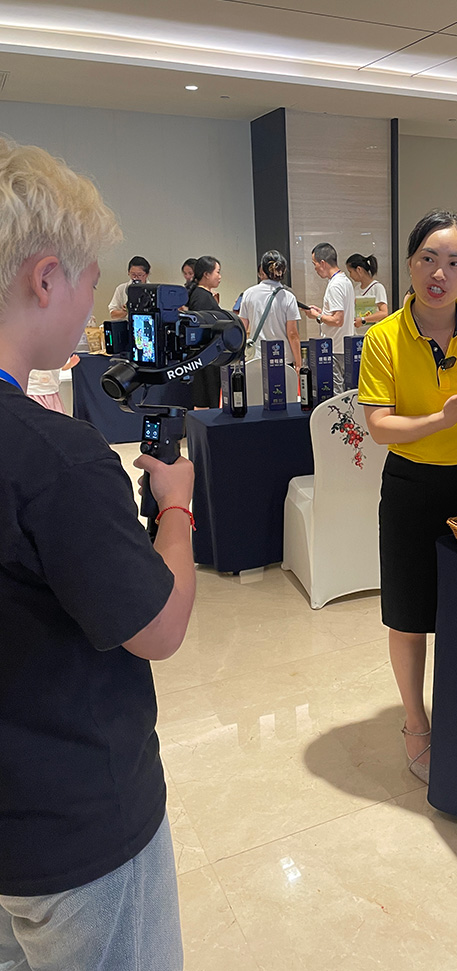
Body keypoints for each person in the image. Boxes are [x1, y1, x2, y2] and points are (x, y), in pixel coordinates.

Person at [0, 137, 195, 970]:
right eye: (89, 280)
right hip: (77, 832)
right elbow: (159, 625)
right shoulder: (56, 457)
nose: (93, 303)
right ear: (46, 278)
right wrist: (176, 505)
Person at [358, 210, 457, 784]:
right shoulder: (384, 337)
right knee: (409, 612)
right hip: (411, 487)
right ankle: (415, 723)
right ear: (410, 262)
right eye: (428, 259)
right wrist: (440, 420)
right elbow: (379, 426)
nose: (439, 273)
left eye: (454, 262)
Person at [239, 250, 302, 367]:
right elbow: (292, 334)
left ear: (262, 270)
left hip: (256, 357)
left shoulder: (249, 293)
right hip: (283, 357)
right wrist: (299, 362)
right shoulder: (288, 297)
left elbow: (242, 327)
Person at [307, 243, 355, 394]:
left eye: (314, 264)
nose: (315, 268)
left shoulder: (335, 285)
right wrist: (322, 312)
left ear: (323, 263)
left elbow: (337, 320)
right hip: (345, 345)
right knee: (345, 393)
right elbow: (339, 314)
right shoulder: (345, 281)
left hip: (335, 347)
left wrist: (317, 316)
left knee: (336, 393)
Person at [186, 254, 226, 407]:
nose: (219, 276)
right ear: (206, 274)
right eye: (217, 272)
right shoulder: (202, 297)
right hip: (206, 354)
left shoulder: (203, 294)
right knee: (208, 398)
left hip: (206, 354)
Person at [346, 253, 389, 330]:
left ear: (359, 270)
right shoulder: (356, 288)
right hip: (357, 333)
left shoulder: (377, 287)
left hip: (373, 331)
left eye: (350, 272)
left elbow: (384, 313)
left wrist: (363, 320)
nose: (350, 275)